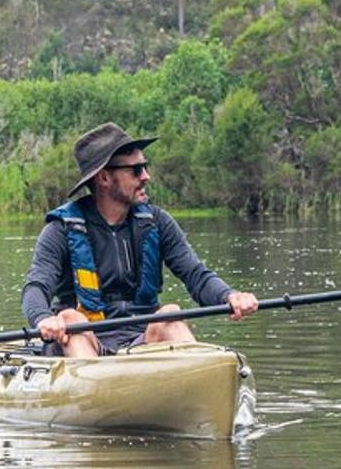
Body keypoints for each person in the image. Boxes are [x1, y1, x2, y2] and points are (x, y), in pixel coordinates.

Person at [22, 122, 259, 357]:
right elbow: (36, 287)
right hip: (81, 341)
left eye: (145, 167)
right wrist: (44, 319)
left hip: (140, 339)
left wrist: (229, 296)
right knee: (71, 319)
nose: (146, 176)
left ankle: (196, 380)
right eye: (136, 170)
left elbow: (195, 274)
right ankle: (96, 389)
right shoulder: (60, 230)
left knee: (171, 314)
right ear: (104, 178)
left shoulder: (157, 222)